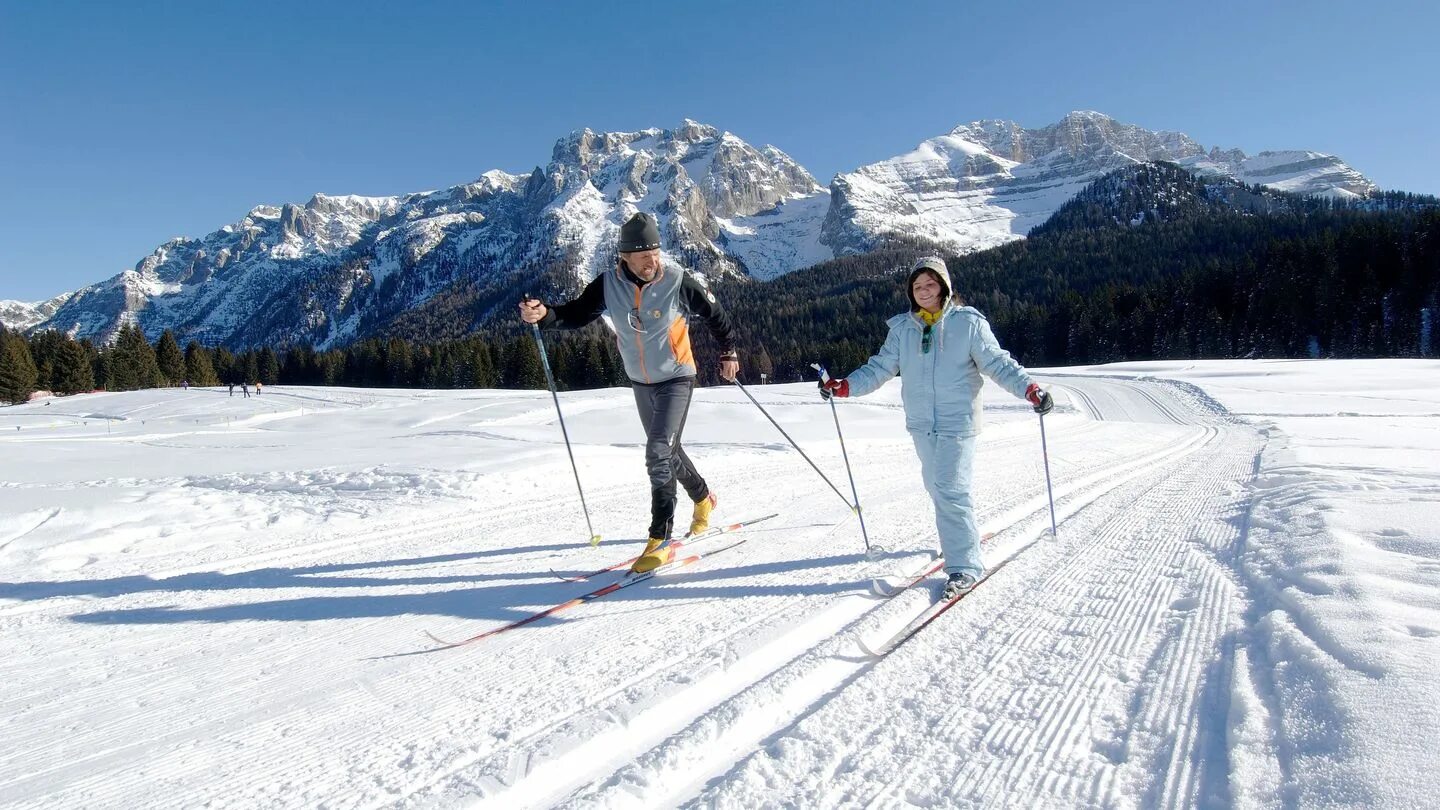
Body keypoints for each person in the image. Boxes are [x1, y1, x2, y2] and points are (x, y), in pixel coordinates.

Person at [819, 256, 1053, 599]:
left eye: (930, 284)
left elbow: (998, 363)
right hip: (921, 424)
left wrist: (1029, 388)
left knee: (949, 488)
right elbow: (880, 367)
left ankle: (964, 565)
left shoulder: (968, 324)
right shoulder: (903, 329)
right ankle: (958, 539)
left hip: (959, 421)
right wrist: (846, 385)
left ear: (944, 287)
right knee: (937, 485)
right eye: (917, 286)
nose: (923, 291)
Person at [519, 212, 740, 573]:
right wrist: (543, 315)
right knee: (669, 451)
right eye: (643, 256)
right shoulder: (608, 285)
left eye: (655, 253)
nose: (652, 262)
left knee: (657, 451)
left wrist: (728, 351)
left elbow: (715, 314)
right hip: (640, 381)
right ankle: (703, 499)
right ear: (625, 258)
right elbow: (575, 314)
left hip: (677, 377)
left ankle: (660, 537)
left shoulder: (677, 280)